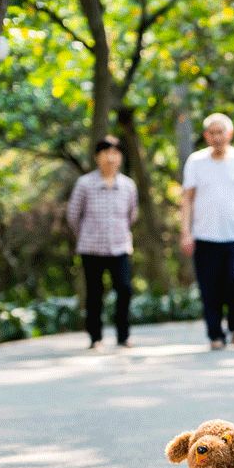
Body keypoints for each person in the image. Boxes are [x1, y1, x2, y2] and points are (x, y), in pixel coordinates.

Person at [180, 113, 234, 350]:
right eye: (212, 133)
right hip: (205, 236)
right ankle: (215, 334)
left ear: (230, 134)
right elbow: (187, 199)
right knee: (210, 287)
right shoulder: (196, 162)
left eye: (221, 132)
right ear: (206, 136)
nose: (217, 137)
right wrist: (186, 233)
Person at [66, 135, 138, 350]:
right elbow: (73, 215)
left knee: (124, 290)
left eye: (115, 153)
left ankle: (123, 336)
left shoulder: (128, 185)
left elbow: (132, 214)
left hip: (119, 246)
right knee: (95, 293)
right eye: (106, 153)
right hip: (91, 247)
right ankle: (95, 336)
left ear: (121, 157)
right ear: (97, 157)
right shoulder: (85, 184)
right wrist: (86, 234)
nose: (110, 157)